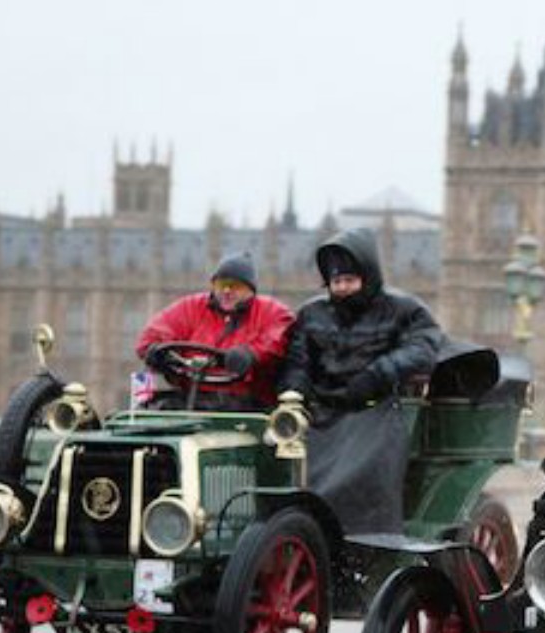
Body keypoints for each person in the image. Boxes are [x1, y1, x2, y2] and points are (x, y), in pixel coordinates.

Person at [276, 228, 444, 532]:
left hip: (375, 408)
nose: (342, 289)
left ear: (368, 278)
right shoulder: (312, 313)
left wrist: (375, 375)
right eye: (336, 282)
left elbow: (422, 349)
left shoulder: (405, 310)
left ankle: (361, 540)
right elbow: (297, 360)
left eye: (349, 281)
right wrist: (294, 391)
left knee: (361, 473)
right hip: (322, 410)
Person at [133, 251, 295, 410]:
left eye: (235, 286)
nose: (226, 291)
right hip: (193, 397)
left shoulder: (270, 311)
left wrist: (251, 353)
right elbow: (155, 333)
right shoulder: (192, 308)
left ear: (251, 291)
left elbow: (279, 337)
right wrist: (156, 351)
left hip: (249, 403)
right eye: (221, 285)